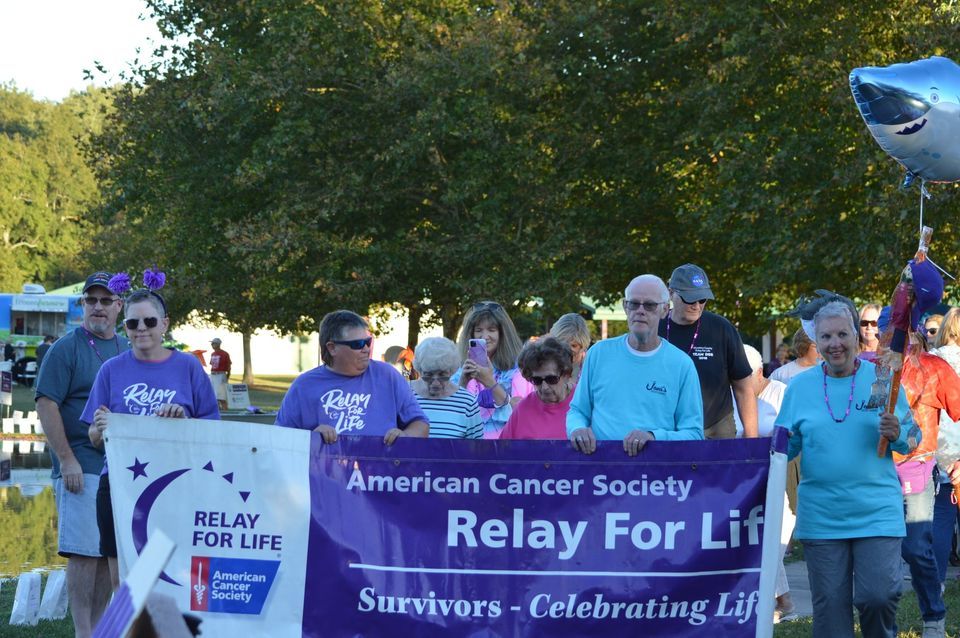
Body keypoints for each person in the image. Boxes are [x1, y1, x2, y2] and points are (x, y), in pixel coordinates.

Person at [778, 300, 915, 638]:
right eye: (826, 336)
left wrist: (898, 434)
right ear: (816, 341)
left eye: (842, 334)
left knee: (878, 596)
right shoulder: (798, 388)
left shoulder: (882, 378)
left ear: (856, 336)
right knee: (830, 609)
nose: (834, 343)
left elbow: (913, 439)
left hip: (877, 512)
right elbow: (782, 448)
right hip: (822, 517)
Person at [82, 288, 220, 589]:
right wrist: (101, 428)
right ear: (126, 328)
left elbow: (212, 431)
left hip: (176, 483)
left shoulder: (188, 367)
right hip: (120, 485)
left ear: (165, 324)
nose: (141, 328)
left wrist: (183, 421)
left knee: (176, 575)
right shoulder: (111, 370)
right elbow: (93, 438)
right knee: (123, 579)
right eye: (132, 323)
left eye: (149, 321)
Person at [34, 271, 128, 638]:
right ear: (83, 305)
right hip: (82, 465)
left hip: (120, 468)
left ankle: (100, 627)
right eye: (92, 300)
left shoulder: (126, 347)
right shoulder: (67, 348)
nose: (99, 307)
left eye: (106, 300)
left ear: (119, 306)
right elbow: (46, 403)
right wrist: (66, 459)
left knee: (107, 553)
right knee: (84, 552)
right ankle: (82, 631)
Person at [567, 274, 703, 455]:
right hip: (602, 474)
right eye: (634, 304)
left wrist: (654, 437)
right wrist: (577, 429)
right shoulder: (598, 354)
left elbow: (694, 435)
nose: (640, 311)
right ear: (625, 306)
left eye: (649, 305)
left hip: (657, 476)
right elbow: (577, 411)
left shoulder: (682, 365)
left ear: (664, 310)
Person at [884, 315, 960, 638]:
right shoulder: (869, 366)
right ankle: (880, 621)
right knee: (882, 548)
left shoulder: (935, 367)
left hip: (918, 466)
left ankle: (934, 615)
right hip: (876, 470)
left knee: (915, 546)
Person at [276, 310, 429, 443]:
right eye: (357, 344)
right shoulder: (304, 386)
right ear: (332, 348)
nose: (366, 349)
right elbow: (280, 440)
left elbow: (420, 424)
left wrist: (406, 437)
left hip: (380, 475)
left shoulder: (388, 375)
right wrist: (311, 438)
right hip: (324, 475)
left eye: (368, 342)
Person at [659, 263, 757, 439]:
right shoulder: (656, 327)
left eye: (702, 299)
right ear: (671, 293)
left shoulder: (722, 329)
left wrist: (752, 442)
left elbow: (744, 388)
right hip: (667, 429)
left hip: (716, 428)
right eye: (690, 299)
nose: (697, 305)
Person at [734, 345, 796, 622]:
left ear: (759, 371)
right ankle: (782, 601)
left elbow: (792, 436)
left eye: (744, 374)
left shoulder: (781, 394)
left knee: (773, 542)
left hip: (777, 480)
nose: (738, 380)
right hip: (740, 484)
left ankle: (774, 601)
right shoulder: (730, 396)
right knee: (755, 543)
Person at [454, 301, 533, 439]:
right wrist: (463, 381)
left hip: (506, 449)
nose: (484, 336)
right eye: (478, 330)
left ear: (503, 333)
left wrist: (489, 382)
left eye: (491, 330)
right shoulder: (459, 369)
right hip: (470, 448)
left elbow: (521, 413)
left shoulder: (519, 371)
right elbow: (453, 413)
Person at [500, 337, 576, 440]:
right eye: (537, 380)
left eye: (551, 379)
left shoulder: (582, 402)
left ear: (566, 375)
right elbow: (504, 450)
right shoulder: (523, 409)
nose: (544, 387)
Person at [411, 337, 482, 439]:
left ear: (452, 370)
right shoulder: (404, 394)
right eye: (428, 375)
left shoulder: (467, 402)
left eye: (442, 375)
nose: (435, 383)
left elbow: (477, 449)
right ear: (419, 370)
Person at [548, 313, 591, 380]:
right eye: (562, 344)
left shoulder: (591, 368)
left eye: (573, 345)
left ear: (583, 346)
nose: (567, 349)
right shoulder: (541, 367)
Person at [208, 337, 232, 409]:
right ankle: (217, 411)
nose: (212, 345)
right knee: (214, 396)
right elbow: (212, 364)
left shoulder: (224, 354)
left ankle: (225, 410)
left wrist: (227, 375)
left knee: (221, 396)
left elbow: (228, 366)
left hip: (221, 375)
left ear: (218, 344)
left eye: (213, 343)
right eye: (212, 344)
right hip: (213, 375)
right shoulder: (213, 354)